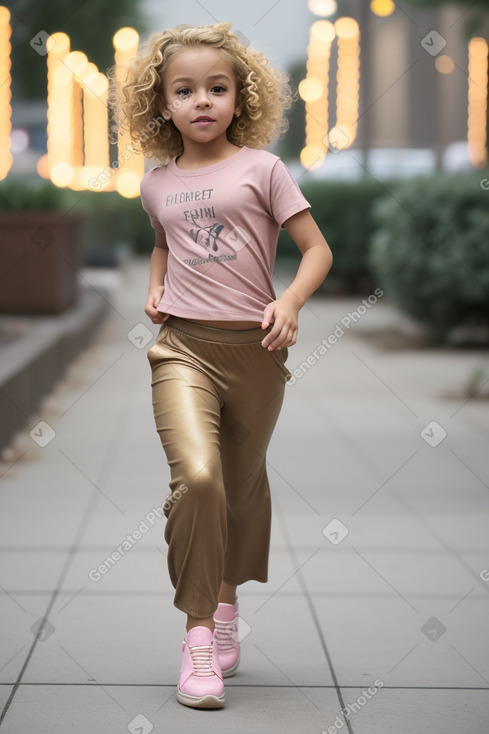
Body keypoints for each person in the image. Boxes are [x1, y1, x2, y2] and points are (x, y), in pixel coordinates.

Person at [116, 21, 333, 709]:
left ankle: (227, 598)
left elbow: (316, 249)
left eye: (217, 88)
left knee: (239, 486)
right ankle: (199, 635)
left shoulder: (262, 170)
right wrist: (155, 283)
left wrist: (291, 300)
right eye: (185, 90)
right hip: (181, 348)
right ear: (162, 104)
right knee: (200, 479)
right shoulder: (156, 183)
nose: (202, 101)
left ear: (242, 98)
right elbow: (162, 243)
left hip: (256, 354)